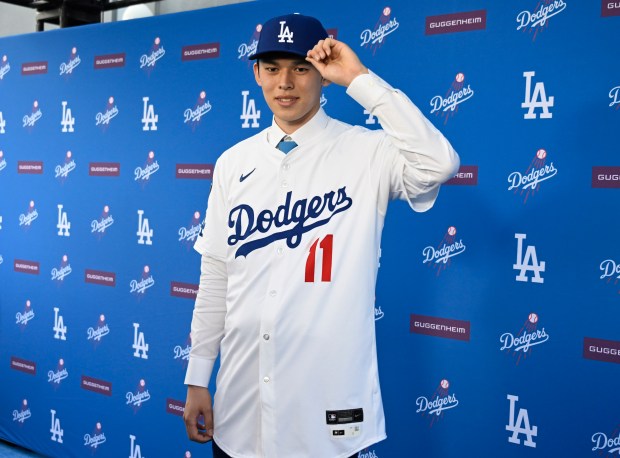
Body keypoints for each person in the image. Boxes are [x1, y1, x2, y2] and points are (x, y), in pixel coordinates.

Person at [183, 12, 459, 458]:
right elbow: (216, 274)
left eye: (301, 67)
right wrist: (198, 375)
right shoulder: (232, 163)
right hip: (239, 409)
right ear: (256, 73)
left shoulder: (366, 151)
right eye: (272, 68)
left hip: (324, 415)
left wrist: (360, 80)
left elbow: (439, 163)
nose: (285, 83)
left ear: (323, 74)